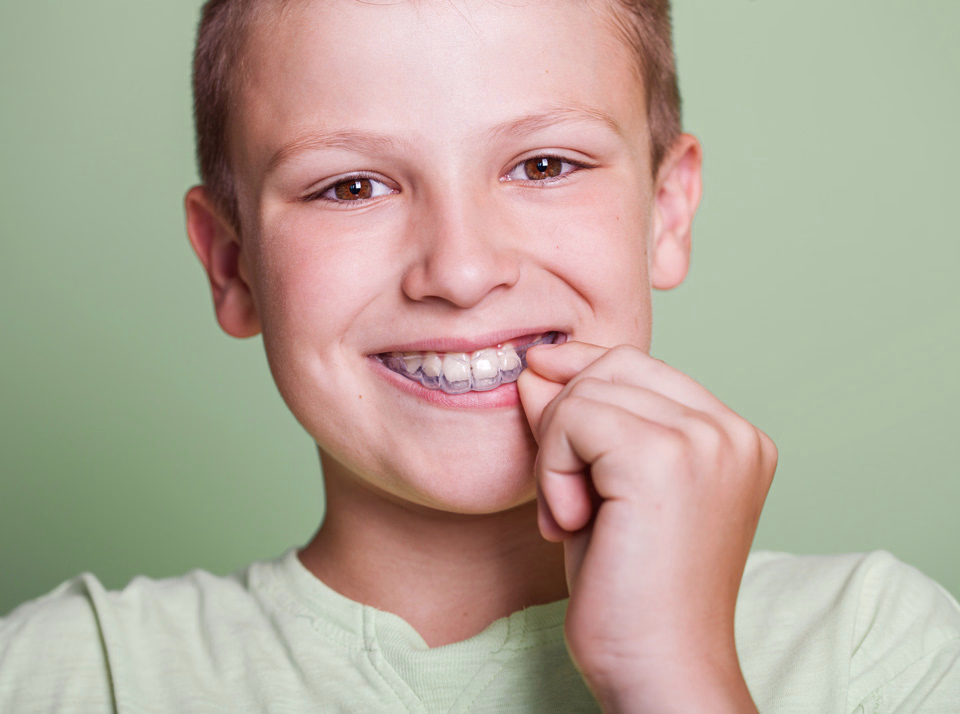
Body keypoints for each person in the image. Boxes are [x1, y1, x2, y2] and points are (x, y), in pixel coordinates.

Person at [1, 0, 958, 711]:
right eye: (351, 186)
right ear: (231, 261)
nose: (460, 271)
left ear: (666, 211)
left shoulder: (875, 649)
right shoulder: (71, 676)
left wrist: (677, 675)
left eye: (545, 165)